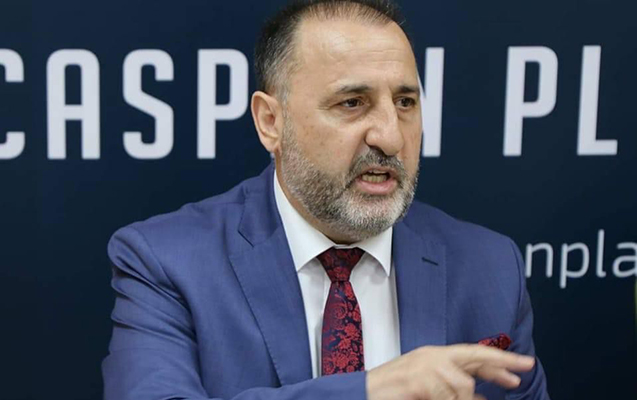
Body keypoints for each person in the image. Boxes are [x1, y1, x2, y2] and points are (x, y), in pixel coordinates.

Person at [102, 1, 550, 399]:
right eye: (352, 103)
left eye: (405, 102)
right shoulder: (166, 262)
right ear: (271, 122)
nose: (391, 137)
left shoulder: (491, 267)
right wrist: (372, 391)